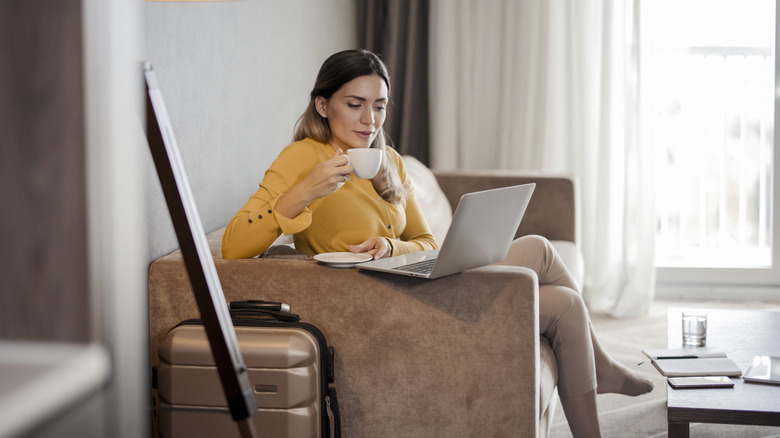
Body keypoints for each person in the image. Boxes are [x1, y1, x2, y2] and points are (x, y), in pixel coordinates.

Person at [222, 49, 653, 438]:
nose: (369, 120)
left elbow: (426, 240)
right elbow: (234, 244)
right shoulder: (301, 157)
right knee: (554, 284)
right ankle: (605, 369)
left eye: (379, 107)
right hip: (374, 301)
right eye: (354, 105)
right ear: (323, 105)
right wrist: (306, 191)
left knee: (549, 270)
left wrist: (391, 249)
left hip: (409, 277)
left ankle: (604, 376)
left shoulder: (387, 161)